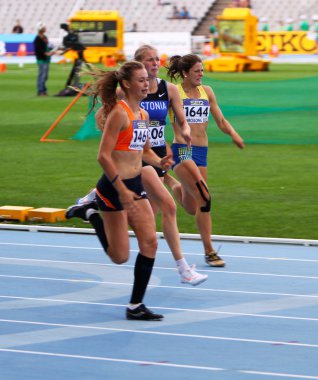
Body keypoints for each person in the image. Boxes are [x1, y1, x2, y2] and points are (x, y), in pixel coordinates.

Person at [76, 44, 208, 285]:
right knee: (169, 207)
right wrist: (119, 135)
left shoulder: (168, 90)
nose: (155, 64)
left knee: (141, 226)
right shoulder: (127, 95)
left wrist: (185, 131)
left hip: (155, 155)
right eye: (149, 60)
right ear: (139, 65)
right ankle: (184, 269)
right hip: (138, 161)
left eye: (158, 59)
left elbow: (180, 119)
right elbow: (104, 117)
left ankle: (95, 205)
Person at [66, 61, 174, 320]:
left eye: (147, 79)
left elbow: (145, 151)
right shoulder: (119, 113)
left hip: (135, 186)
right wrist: (122, 191)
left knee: (150, 242)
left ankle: (135, 306)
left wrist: (161, 162)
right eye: (140, 80)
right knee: (119, 257)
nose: (146, 83)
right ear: (126, 84)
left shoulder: (143, 115)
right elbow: (103, 156)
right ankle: (91, 212)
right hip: (114, 189)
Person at [165, 54, 245, 267]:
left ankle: (170, 181)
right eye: (197, 71)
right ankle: (209, 251)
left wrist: (234, 135)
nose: (201, 74)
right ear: (185, 73)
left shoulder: (206, 91)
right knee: (205, 198)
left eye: (202, 70)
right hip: (182, 150)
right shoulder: (174, 92)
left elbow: (220, 119)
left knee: (192, 207)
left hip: (202, 152)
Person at [33, 22, 54, 96]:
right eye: (43, 27)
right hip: (41, 59)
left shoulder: (45, 37)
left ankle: (43, 90)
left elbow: (48, 46)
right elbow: (38, 50)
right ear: (40, 29)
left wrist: (52, 50)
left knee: (45, 76)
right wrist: (45, 53)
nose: (45, 28)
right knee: (42, 75)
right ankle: (40, 91)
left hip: (46, 59)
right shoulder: (37, 39)